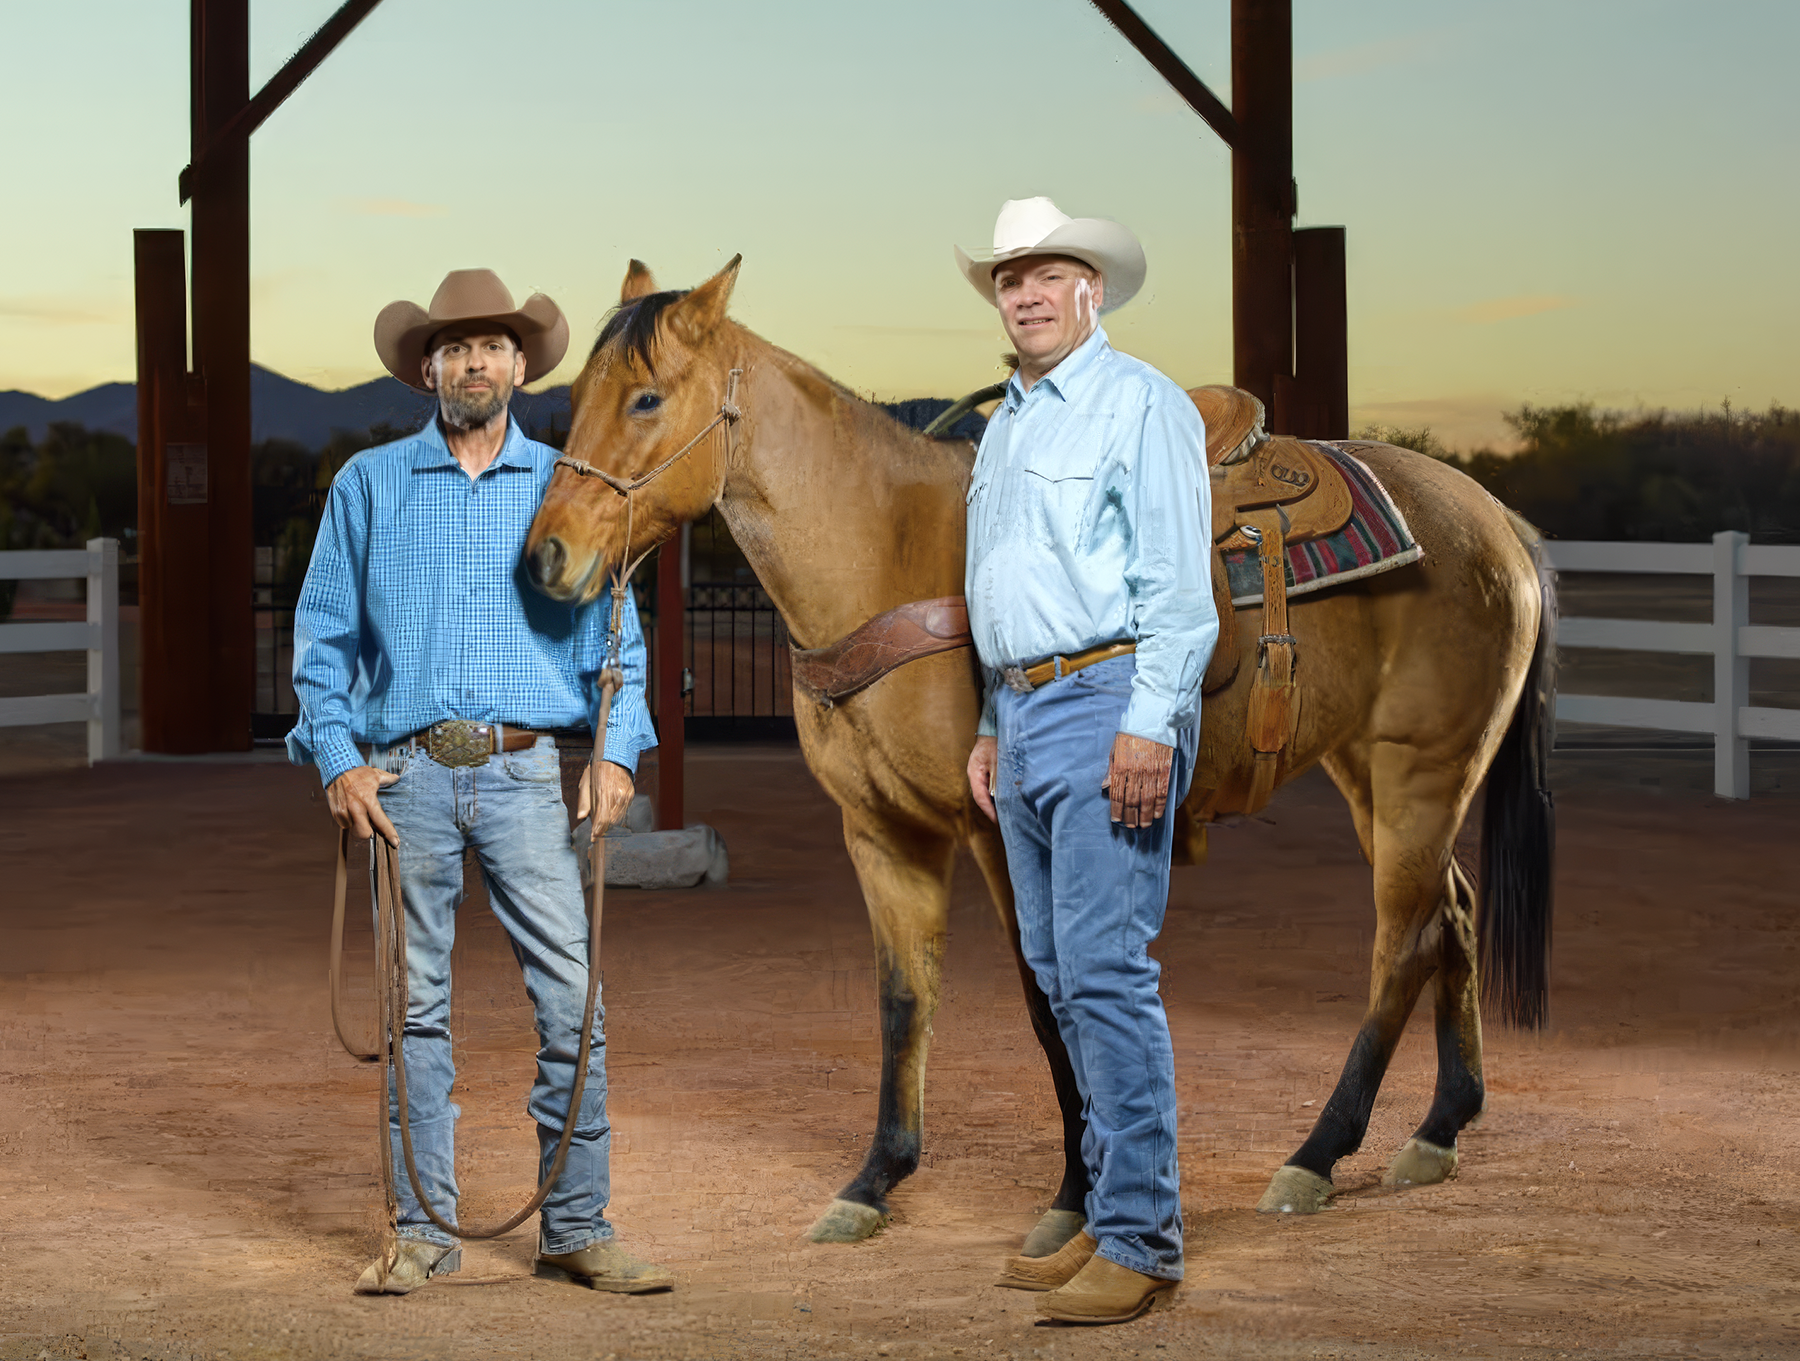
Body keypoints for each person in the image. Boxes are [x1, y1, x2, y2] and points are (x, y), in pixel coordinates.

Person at [288, 269, 672, 1296]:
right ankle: (420, 1231)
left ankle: (578, 1226)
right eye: (455, 346)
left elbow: (617, 642)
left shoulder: (567, 485)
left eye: (492, 346)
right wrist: (336, 758)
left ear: (517, 366)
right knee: (412, 1007)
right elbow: (322, 641)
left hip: (523, 774)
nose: (474, 361)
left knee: (573, 1001)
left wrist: (617, 750)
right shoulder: (368, 486)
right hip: (406, 774)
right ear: (428, 368)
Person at [957, 198, 1218, 1324]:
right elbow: (1006, 583)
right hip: (1023, 715)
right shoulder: (1007, 423)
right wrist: (988, 719)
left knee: (1106, 970)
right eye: (1011, 277)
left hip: (1111, 694)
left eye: (1047, 274)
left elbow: (1179, 591)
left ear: (1091, 290)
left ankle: (1144, 1237)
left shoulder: (1139, 404)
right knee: (1060, 975)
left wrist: (1149, 724)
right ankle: (1116, 1209)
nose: (1025, 293)